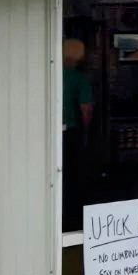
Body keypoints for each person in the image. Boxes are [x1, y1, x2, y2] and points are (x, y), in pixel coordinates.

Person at [62, 38, 94, 231]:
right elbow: (86, 110)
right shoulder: (80, 79)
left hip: (51, 132)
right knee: (74, 175)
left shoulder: (50, 73)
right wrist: (87, 134)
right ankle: (73, 220)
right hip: (71, 132)